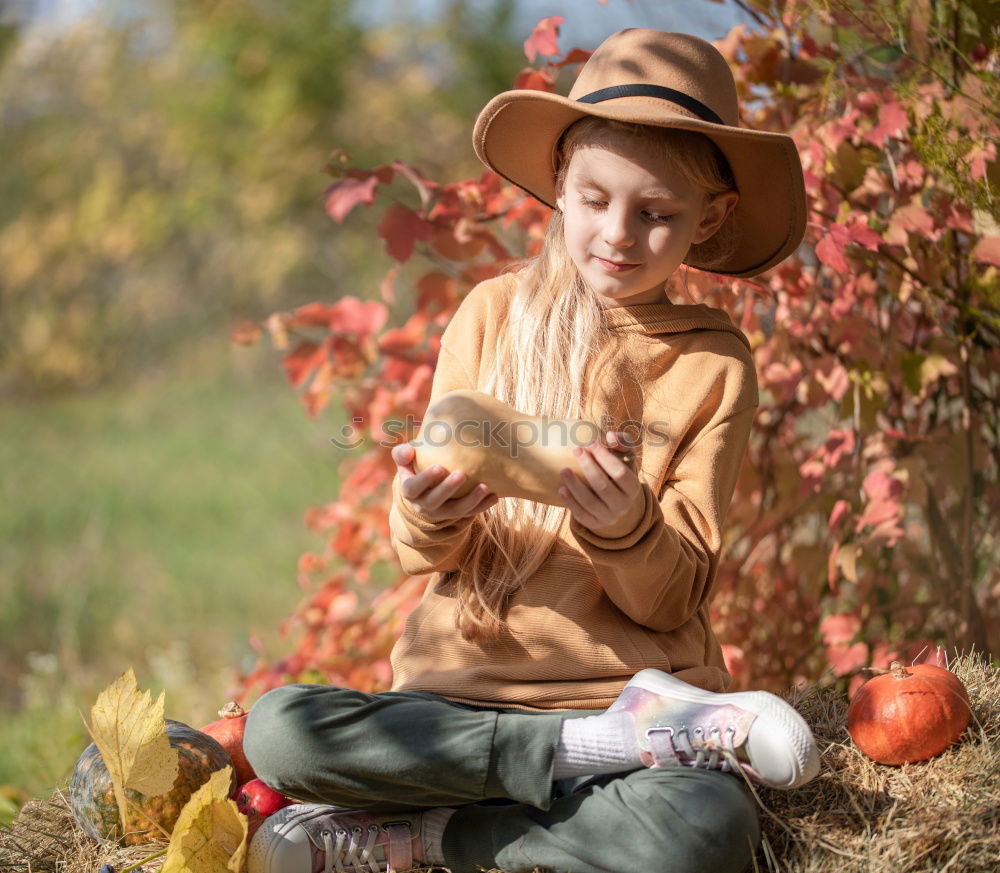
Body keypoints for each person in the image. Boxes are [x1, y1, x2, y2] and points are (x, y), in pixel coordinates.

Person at [243, 28, 818, 873]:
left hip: (632, 709)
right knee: (277, 731)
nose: (617, 234)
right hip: (453, 716)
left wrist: (626, 525)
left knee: (702, 830)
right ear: (559, 183)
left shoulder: (711, 364)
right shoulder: (491, 315)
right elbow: (417, 551)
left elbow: (674, 596)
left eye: (656, 214)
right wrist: (426, 510)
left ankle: (443, 835)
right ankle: (564, 758)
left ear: (712, 218)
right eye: (594, 200)